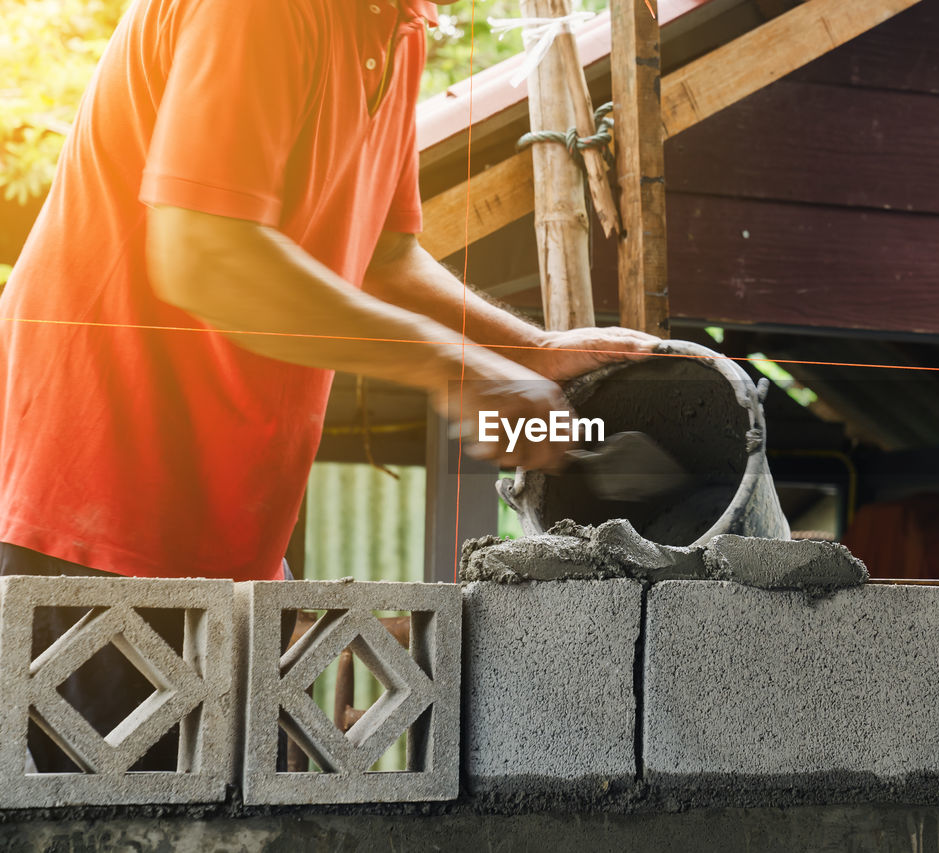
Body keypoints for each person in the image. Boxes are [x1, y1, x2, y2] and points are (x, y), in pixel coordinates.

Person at [0, 0, 657, 770]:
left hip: (233, 534)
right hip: (91, 514)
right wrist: (461, 369)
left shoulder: (399, 28)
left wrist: (531, 350)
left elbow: (383, 257)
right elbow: (201, 253)